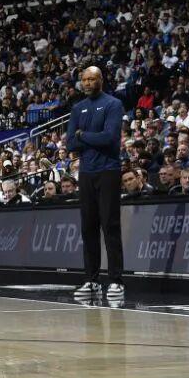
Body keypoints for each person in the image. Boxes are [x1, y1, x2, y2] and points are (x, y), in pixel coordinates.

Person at [66, 66, 125, 300]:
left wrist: (82, 135)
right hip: (86, 172)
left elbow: (109, 138)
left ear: (101, 80)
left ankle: (116, 281)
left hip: (108, 170)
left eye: (92, 79)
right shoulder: (77, 108)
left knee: (110, 226)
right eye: (84, 80)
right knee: (88, 227)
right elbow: (70, 144)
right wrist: (86, 138)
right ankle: (92, 281)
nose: (88, 83)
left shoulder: (113, 104)